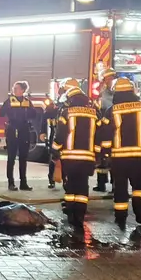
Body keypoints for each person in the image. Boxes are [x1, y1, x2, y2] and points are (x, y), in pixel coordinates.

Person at [96, 77, 141, 227]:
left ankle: (120, 217)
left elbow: (105, 134)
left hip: (119, 158)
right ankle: (140, 215)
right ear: (132, 91)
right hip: (140, 157)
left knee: (120, 188)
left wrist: (104, 153)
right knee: (139, 188)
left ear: (116, 93)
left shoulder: (111, 111)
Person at [53, 77, 98, 228]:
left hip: (70, 158)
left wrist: (55, 151)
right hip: (87, 158)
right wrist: (97, 155)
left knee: (71, 185)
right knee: (83, 186)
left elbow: (60, 135)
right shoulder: (93, 113)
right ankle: (80, 215)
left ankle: (71, 213)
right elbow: (99, 136)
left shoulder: (66, 113)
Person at [0, 81, 38, 190]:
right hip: (12, 130)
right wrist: (7, 107)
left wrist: (29, 110)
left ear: (23, 90)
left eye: (16, 88)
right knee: (11, 158)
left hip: (24, 131)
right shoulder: (9, 101)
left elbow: (34, 115)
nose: (14, 90)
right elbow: (1, 113)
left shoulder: (27, 101)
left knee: (23, 158)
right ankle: (11, 183)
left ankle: (23, 183)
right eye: (14, 88)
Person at [94, 68, 118, 194]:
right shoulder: (101, 94)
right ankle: (101, 184)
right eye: (107, 79)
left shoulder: (117, 93)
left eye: (111, 78)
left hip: (114, 131)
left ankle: (114, 185)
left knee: (114, 159)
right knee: (102, 157)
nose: (110, 80)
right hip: (103, 131)